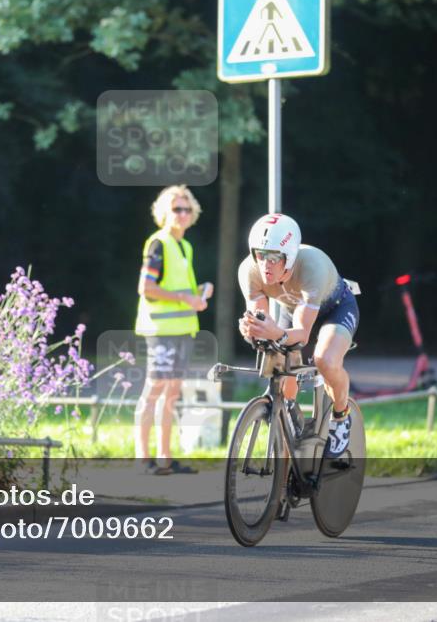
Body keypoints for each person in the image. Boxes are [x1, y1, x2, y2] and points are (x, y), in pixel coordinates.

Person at [237, 213, 360, 457]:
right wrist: (253, 330)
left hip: (335, 308)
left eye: (274, 258)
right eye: (260, 255)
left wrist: (275, 333)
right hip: (292, 309)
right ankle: (289, 417)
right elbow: (263, 324)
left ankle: (341, 414)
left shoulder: (311, 266)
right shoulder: (248, 271)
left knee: (325, 359)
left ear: (290, 257)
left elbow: (302, 335)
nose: (265, 265)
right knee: (279, 366)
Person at [134, 185, 213, 475]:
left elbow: (181, 288)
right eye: (176, 209)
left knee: (172, 394)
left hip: (184, 330)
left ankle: (165, 459)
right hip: (161, 329)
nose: (182, 214)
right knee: (154, 390)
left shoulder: (185, 246)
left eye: (187, 209)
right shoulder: (158, 243)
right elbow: (147, 287)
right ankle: (144, 459)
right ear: (164, 212)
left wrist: (200, 291)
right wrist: (186, 298)